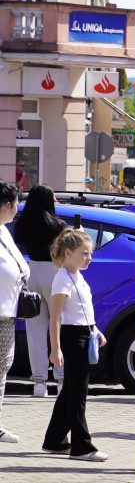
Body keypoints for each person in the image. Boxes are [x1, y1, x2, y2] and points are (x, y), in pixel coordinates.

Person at [42, 228, 107, 461]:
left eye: (90, 253)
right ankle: (82, 447)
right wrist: (55, 348)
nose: (89, 258)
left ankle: (55, 441)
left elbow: (82, 308)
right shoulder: (61, 278)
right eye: (84, 253)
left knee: (70, 390)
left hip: (83, 333)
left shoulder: (77, 275)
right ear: (68, 252)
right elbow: (55, 317)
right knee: (78, 392)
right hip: (71, 337)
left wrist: (95, 329)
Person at [13, 185, 67, 398]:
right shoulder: (58, 225)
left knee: (34, 332)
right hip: (55, 274)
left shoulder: (23, 224)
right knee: (61, 329)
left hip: (32, 273)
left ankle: (39, 383)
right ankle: (62, 380)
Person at [0, 181, 25, 444]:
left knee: (2, 369)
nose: (17, 209)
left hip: (6, 314)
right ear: (7, 206)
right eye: (16, 204)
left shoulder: (4, 231)